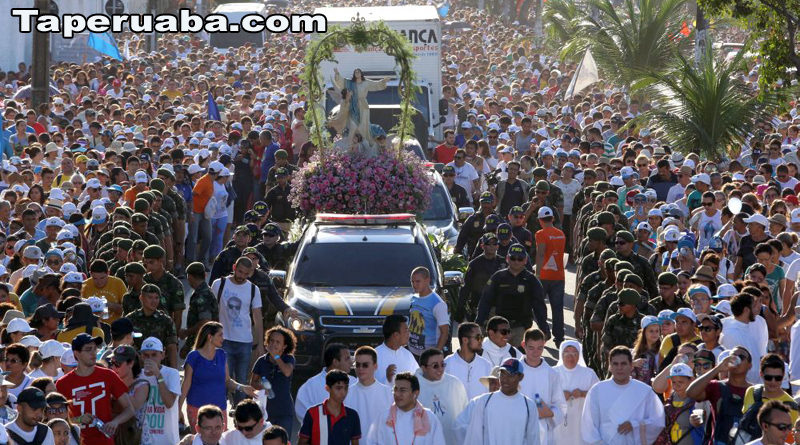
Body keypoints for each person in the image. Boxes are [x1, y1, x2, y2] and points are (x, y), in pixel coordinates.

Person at [55, 333, 136, 445]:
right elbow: (56, 419)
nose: (93, 353)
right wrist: (78, 420)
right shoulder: (62, 383)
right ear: (76, 354)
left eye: (95, 348)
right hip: (76, 441)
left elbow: (129, 409)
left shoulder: (108, 375)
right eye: (88, 349)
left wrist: (115, 422)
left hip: (105, 441)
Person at [580, 346, 665, 444]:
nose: (619, 368)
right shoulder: (597, 390)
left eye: (623, 364)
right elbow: (588, 424)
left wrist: (634, 425)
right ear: (610, 367)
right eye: (615, 364)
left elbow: (657, 421)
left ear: (631, 366)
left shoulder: (645, 391)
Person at [181, 322, 255, 431]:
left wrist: (242, 387)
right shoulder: (193, 357)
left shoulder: (222, 355)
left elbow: (227, 381)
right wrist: (178, 409)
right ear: (210, 337)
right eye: (220, 335)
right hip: (197, 409)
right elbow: (186, 384)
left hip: (219, 410)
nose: (223, 338)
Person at [211, 257, 264, 404]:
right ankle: (219, 411)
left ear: (250, 273)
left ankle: (240, 413)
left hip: (245, 342)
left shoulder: (253, 289)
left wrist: (260, 344)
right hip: (223, 340)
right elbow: (210, 310)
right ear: (234, 267)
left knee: (242, 381)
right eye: (239, 271)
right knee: (222, 379)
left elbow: (257, 317)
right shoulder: (219, 284)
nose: (241, 276)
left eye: (246, 274)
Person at [477, 244, 550, 346]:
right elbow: (485, 301)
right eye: (513, 258)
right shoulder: (498, 277)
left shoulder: (531, 280)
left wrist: (544, 329)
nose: (516, 261)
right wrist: (479, 323)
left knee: (519, 360)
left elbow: (539, 306)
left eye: (520, 259)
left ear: (525, 260)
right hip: (499, 328)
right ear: (507, 258)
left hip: (521, 328)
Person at [456, 358, 541, 445]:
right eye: (502, 374)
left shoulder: (529, 406)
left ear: (520, 377)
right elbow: (475, 437)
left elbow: (533, 439)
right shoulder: (484, 402)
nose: (505, 379)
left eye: (510, 375)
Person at [686, 345, 753, 444]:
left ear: (749, 365)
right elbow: (691, 392)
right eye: (732, 356)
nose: (736, 359)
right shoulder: (717, 386)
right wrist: (717, 369)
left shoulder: (754, 391)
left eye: (741, 357)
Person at [367, 372, 446, 445]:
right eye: (395, 389)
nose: (397, 394)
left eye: (402, 390)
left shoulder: (430, 419)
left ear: (415, 393)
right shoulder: (383, 418)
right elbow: (371, 442)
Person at [518, 328, 567, 445]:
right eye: (531, 348)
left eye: (540, 348)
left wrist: (549, 413)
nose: (536, 353)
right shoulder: (513, 370)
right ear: (523, 345)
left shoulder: (552, 374)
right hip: (517, 432)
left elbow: (561, 406)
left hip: (543, 435)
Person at [415, 348, 468, 445]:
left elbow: (466, 414)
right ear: (424, 368)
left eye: (442, 364)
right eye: (435, 366)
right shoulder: (414, 386)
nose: (440, 369)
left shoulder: (454, 384)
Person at [250, 326, 296, 436]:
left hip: (284, 411)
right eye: (271, 340)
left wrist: (275, 356)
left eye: (278, 342)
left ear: (284, 346)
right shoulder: (261, 361)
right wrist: (262, 386)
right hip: (265, 411)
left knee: (284, 441)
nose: (274, 344)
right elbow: (253, 382)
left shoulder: (289, 359)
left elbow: (287, 372)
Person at [552, 340, 599, 445]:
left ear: (579, 355)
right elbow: (543, 396)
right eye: (567, 352)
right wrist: (560, 395)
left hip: (580, 421)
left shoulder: (589, 373)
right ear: (561, 354)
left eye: (574, 353)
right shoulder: (552, 372)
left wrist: (583, 393)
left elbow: (599, 396)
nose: (570, 356)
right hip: (559, 422)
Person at [294, 343, 355, 422]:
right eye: (347, 359)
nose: (351, 362)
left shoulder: (354, 382)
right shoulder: (311, 386)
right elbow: (302, 412)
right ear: (335, 362)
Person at [298, 370, 361, 445]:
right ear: (327, 388)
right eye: (338, 388)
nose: (343, 392)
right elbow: (302, 443)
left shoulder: (352, 415)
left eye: (346, 388)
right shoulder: (312, 413)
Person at [343, 346, 392, 441]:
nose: (360, 368)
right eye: (357, 365)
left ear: (375, 366)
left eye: (365, 365)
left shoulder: (389, 394)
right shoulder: (345, 394)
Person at [139, 337, 181, 445]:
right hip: (144, 440)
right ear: (141, 356)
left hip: (168, 440)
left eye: (154, 355)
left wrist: (158, 375)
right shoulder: (138, 375)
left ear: (162, 354)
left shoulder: (172, 374)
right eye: (146, 355)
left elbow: (169, 403)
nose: (150, 359)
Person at [535, 206, 567, 346]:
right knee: (557, 308)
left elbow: (541, 253)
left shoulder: (540, 234)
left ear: (539, 220)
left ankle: (545, 331)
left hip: (543, 276)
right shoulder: (561, 234)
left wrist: (537, 273)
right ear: (553, 218)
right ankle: (559, 338)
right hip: (559, 276)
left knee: (538, 306)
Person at [407, 267, 449, 357]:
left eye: (418, 281)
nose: (414, 285)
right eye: (412, 282)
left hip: (428, 355)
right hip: (412, 352)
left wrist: (435, 355)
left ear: (427, 280)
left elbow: (445, 332)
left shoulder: (438, 303)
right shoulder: (414, 298)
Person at [443, 322, 492, 399]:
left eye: (482, 337)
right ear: (465, 340)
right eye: (478, 337)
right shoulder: (447, 364)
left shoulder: (486, 365)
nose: (481, 341)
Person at [375, 315, 419, 385]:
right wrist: (388, 379)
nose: (409, 334)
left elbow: (418, 380)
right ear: (395, 335)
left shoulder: (408, 355)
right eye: (406, 331)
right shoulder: (374, 356)